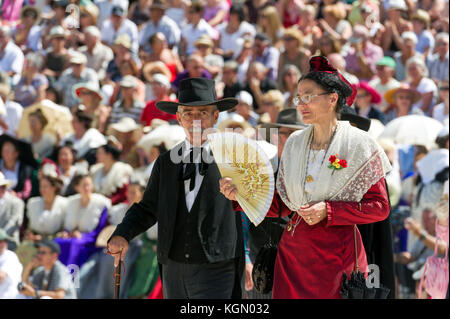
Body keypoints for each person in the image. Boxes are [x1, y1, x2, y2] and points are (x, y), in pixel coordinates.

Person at [222, 56, 392, 299]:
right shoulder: (294, 143)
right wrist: (241, 194)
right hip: (293, 254)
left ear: (333, 98)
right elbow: (282, 204)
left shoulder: (359, 144)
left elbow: (380, 207)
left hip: (337, 256)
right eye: (299, 96)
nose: (301, 103)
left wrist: (330, 210)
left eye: (309, 96)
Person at [108, 77, 244, 299]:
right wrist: (123, 233)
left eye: (202, 113)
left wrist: (249, 258)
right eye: (188, 114)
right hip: (172, 269)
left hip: (217, 268)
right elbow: (148, 208)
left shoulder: (236, 158)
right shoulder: (166, 162)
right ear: (179, 119)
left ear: (215, 116)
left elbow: (255, 210)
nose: (195, 120)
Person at [25, 165, 68, 241]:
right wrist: (30, 234)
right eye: (41, 186)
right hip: (33, 241)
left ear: (54, 187)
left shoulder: (64, 204)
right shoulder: (33, 203)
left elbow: (64, 230)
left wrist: (44, 238)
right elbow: (29, 227)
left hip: (55, 242)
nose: (42, 189)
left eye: (45, 186)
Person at [90, 137, 133, 205]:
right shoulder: (96, 170)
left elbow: (123, 194)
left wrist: (107, 203)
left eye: (99, 153)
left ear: (108, 155)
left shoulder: (122, 169)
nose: (96, 155)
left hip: (115, 206)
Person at [0, 134, 36, 200]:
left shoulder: (26, 170)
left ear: (16, 153)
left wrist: (17, 195)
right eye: (4, 150)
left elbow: (27, 191)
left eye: (8, 151)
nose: (5, 153)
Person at [0, 173, 25, 251]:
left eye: (3, 186)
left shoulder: (17, 202)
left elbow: (15, 222)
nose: (1, 189)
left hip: (9, 245)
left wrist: (1, 236)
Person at [0, 228, 23, 299]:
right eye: (0, 241)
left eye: (4, 241)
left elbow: (1, 276)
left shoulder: (10, 256)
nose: (3, 244)